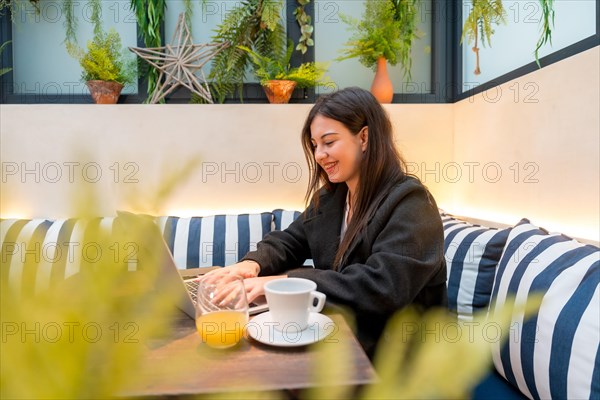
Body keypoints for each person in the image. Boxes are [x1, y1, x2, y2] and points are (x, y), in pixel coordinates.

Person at [204, 87, 447, 357]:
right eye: (315, 145)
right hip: (348, 338)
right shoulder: (332, 198)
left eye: (329, 142)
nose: (319, 155)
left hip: (403, 359)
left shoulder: (412, 203)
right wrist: (253, 264)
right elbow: (290, 240)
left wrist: (285, 282)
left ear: (364, 137)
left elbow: (383, 287)